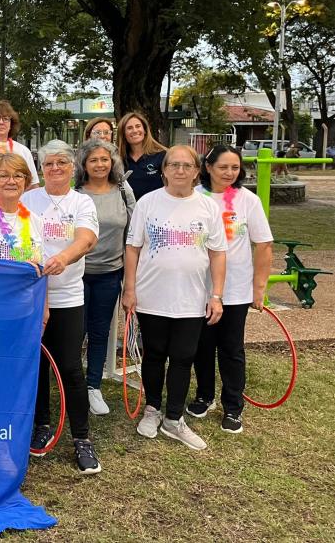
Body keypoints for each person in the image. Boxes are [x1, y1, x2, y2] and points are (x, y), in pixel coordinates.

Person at [122, 145, 227, 451]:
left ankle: (173, 418)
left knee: (183, 357)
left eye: (187, 165)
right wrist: (130, 288)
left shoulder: (208, 208)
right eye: (174, 165)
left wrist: (216, 295)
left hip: (192, 299)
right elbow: (133, 247)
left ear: (197, 171)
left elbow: (218, 253)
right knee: (155, 354)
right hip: (152, 295)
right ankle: (153, 408)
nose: (180, 170)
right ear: (164, 169)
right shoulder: (148, 203)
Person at [24, 140, 102, 475]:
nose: (54, 169)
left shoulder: (81, 202)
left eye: (61, 163)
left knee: (70, 367)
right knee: (37, 366)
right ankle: (42, 425)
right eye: (48, 164)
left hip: (68, 295)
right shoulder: (28, 199)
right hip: (28, 296)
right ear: (40, 169)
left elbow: (86, 239)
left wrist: (61, 259)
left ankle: (82, 438)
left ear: (73, 167)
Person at [188, 145, 272, 434]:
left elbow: (264, 245)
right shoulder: (194, 197)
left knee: (231, 349)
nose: (229, 173)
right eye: (223, 166)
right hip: (198, 287)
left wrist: (258, 289)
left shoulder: (247, 200)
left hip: (235, 289)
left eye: (234, 167)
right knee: (202, 346)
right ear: (208, 167)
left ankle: (233, 407)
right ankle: (204, 396)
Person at [74, 138, 135, 416]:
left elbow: (133, 232)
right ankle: (71, 384)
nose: (99, 165)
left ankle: (93, 386)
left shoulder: (123, 190)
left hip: (110, 274)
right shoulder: (75, 192)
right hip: (77, 274)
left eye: (104, 159)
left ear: (112, 163)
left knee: (100, 331)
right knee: (77, 332)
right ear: (84, 165)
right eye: (93, 160)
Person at [117, 111, 167, 201]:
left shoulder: (162, 155)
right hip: (129, 211)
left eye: (138, 126)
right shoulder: (118, 159)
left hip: (155, 210)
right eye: (129, 128)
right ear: (123, 134)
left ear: (145, 130)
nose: (135, 130)